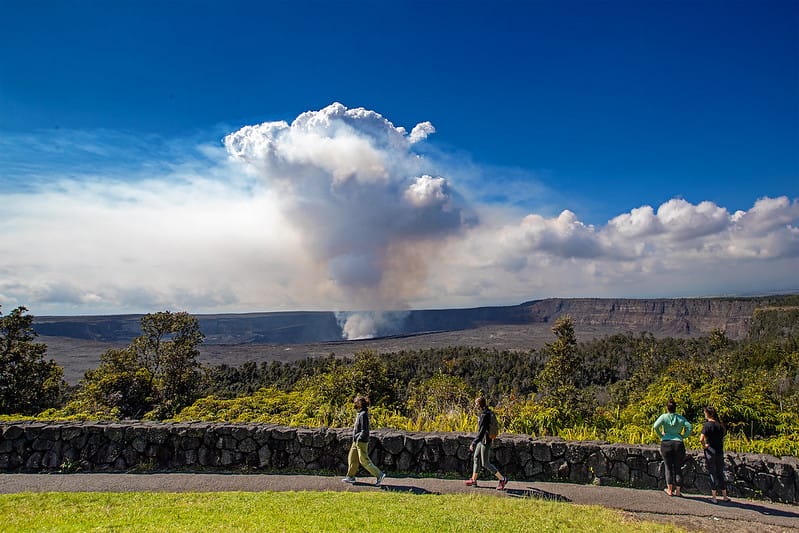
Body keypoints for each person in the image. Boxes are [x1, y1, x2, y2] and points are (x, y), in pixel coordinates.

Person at [464, 396, 508, 490]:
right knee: (476, 457)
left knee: (485, 463)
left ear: (479, 405)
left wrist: (473, 443)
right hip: (483, 439)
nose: (475, 405)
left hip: (485, 440)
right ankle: (473, 479)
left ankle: (502, 479)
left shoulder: (484, 415)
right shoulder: (487, 411)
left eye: (476, 404)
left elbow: (482, 432)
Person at [342, 396, 386, 487]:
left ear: (361, 403)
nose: (355, 403)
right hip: (356, 441)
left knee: (364, 460)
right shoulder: (360, 413)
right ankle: (350, 477)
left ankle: (379, 475)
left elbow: (364, 430)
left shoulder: (363, 414)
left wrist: (358, 438)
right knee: (352, 458)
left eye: (356, 402)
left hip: (361, 441)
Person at [653, 398, 692, 497]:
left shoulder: (664, 417)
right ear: (675, 408)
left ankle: (670, 490)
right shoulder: (680, 418)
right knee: (678, 467)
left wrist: (662, 436)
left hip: (666, 443)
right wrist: (683, 435)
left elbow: (655, 426)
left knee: (668, 467)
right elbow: (689, 427)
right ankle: (678, 491)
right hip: (678, 443)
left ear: (667, 408)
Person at [700, 405, 730, 504]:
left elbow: (701, 439)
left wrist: (705, 446)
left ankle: (714, 497)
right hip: (719, 450)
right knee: (720, 473)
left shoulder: (707, 425)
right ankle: (725, 496)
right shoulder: (720, 425)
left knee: (712, 473)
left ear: (708, 414)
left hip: (711, 450)